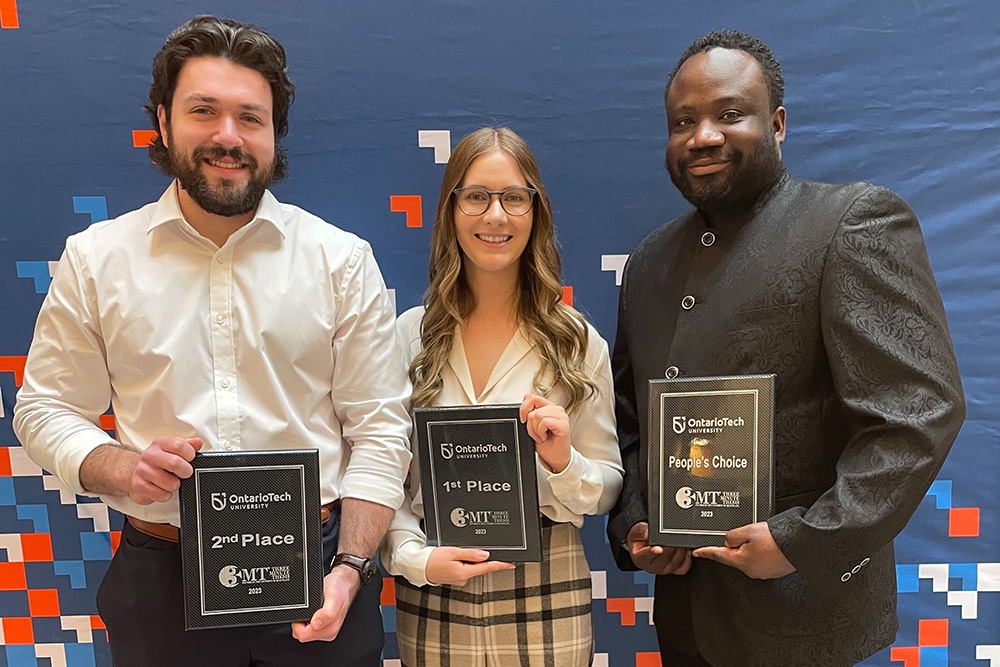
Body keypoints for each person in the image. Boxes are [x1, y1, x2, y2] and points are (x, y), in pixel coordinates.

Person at [13, 16, 411, 667]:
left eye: (250, 118)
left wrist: (351, 568)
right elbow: (43, 408)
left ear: (274, 133)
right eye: (205, 111)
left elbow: (379, 427)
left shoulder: (341, 260)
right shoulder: (96, 259)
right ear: (164, 123)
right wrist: (121, 465)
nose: (228, 136)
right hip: (161, 582)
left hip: (317, 578)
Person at [606, 30, 965, 667]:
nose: (703, 135)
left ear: (776, 123)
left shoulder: (850, 223)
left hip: (806, 621)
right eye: (683, 121)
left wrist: (804, 542)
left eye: (728, 114)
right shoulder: (648, 263)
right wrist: (638, 522)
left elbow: (917, 415)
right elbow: (631, 426)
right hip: (685, 619)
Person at [380, 127, 623, 667]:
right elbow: (383, 477)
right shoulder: (407, 336)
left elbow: (608, 486)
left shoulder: (576, 341)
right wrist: (413, 558)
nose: (495, 216)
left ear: (536, 211)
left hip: (548, 580)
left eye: (514, 197)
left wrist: (563, 462)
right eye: (476, 197)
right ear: (450, 210)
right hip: (433, 586)